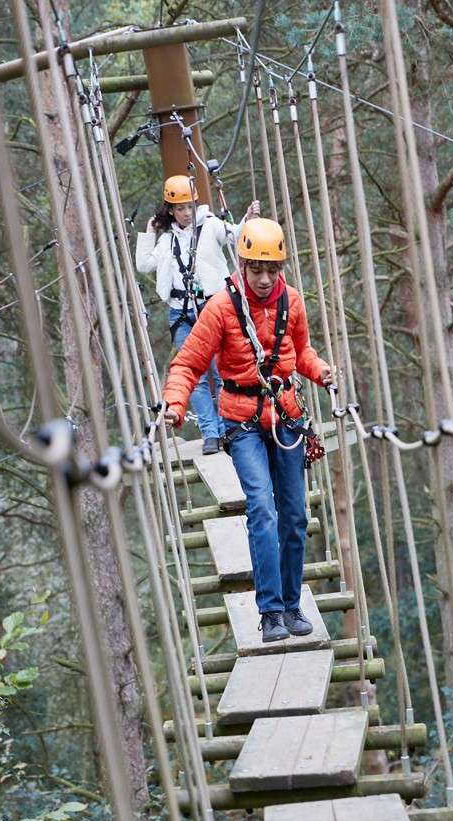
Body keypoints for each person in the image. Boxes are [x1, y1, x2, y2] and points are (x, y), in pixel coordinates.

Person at [162, 218, 334, 642]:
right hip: (241, 422)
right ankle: (270, 611)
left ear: (280, 270)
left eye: (271, 270)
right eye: (255, 269)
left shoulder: (291, 302)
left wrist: (322, 372)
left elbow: (302, 350)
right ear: (241, 264)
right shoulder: (221, 307)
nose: (262, 278)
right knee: (261, 507)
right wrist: (175, 404)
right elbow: (188, 363)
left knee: (294, 516)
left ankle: (293, 606)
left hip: (286, 416)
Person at [136, 174, 261, 455]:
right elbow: (144, 264)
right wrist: (149, 231)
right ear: (171, 210)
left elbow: (235, 236)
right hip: (180, 313)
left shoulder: (210, 225)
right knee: (196, 376)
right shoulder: (167, 239)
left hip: (211, 308)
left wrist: (248, 219)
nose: (187, 213)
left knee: (220, 370)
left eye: (190, 206)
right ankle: (211, 433)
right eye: (180, 208)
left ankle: (228, 427)